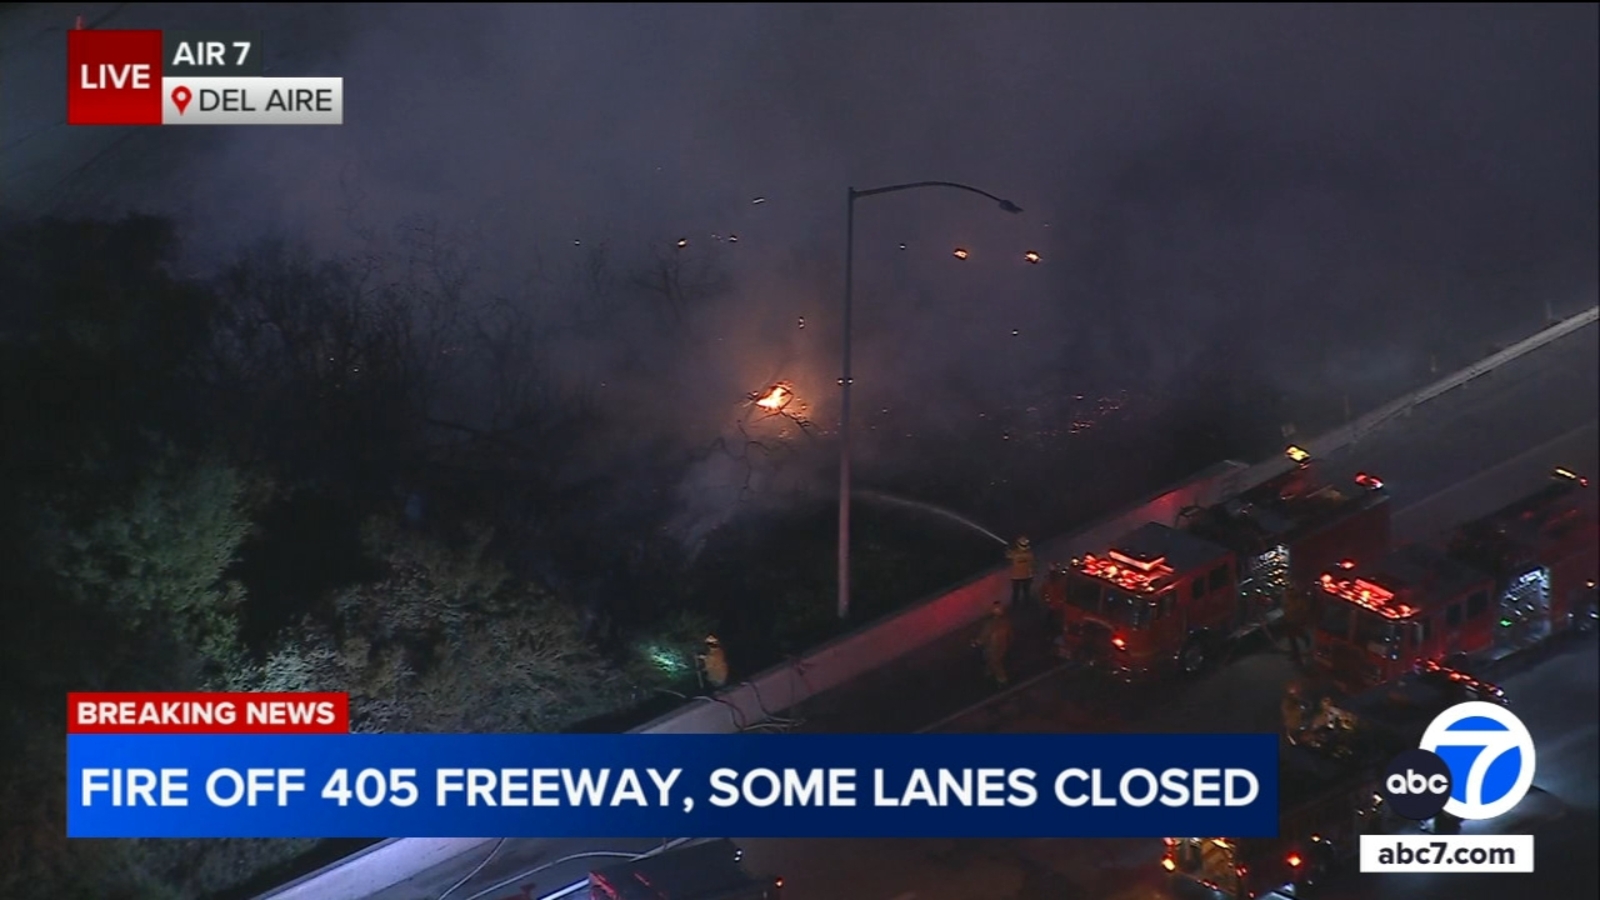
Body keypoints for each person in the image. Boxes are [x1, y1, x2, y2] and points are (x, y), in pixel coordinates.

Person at [973, 601, 1013, 686]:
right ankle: (989, 670)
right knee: (994, 659)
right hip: (1002, 646)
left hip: (992, 647)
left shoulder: (990, 624)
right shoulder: (1005, 621)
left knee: (995, 662)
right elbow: (1010, 634)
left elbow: (983, 636)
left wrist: (976, 643)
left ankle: (1002, 679)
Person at [1006, 536, 1035, 608]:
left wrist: (1009, 548)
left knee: (1016, 593)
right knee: (1027, 593)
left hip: (1016, 577)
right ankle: (1028, 606)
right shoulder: (1030, 554)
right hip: (1027, 576)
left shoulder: (1014, 554)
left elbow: (1007, 555)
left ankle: (1015, 607)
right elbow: (1032, 563)